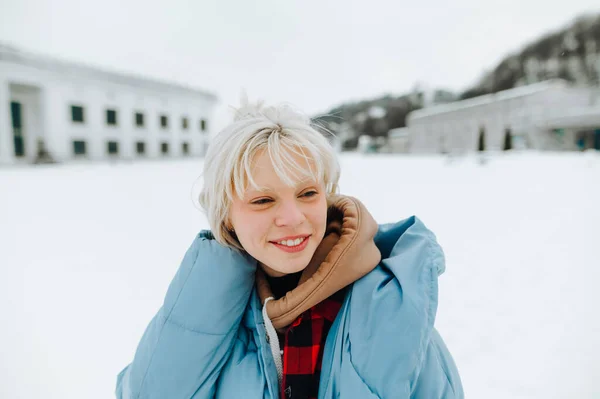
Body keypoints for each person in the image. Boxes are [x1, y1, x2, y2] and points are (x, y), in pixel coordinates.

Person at [115, 99, 463, 399]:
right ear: (226, 216)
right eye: (263, 200)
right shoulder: (199, 307)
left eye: (307, 193)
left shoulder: (392, 306)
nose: (293, 218)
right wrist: (202, 300)